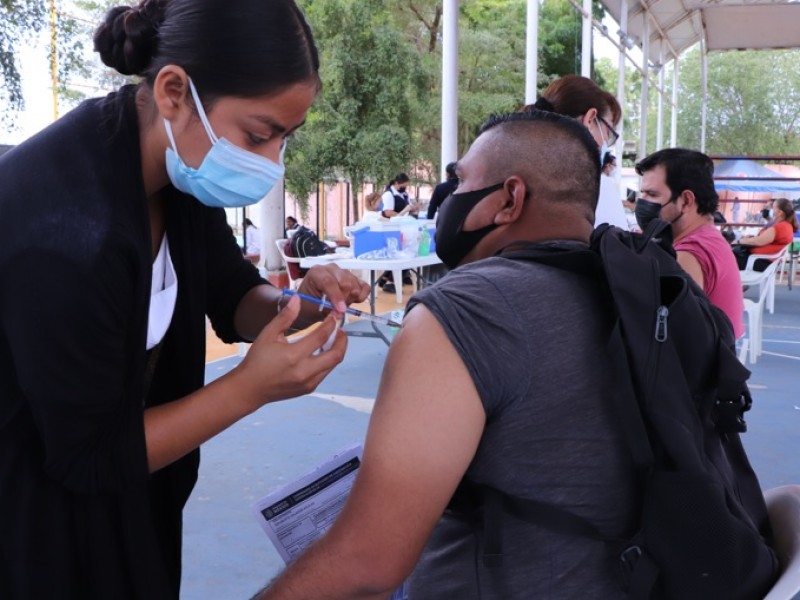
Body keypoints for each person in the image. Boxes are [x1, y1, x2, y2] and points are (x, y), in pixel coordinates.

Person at [0, 1, 370, 598]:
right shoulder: (63, 229)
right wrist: (250, 388)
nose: (271, 162)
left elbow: (232, 295)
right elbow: (88, 456)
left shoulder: (180, 172)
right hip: (42, 528)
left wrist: (298, 303)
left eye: (284, 138)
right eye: (259, 134)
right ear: (174, 90)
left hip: (141, 499)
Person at [255, 110, 636, 599]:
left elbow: (366, 563)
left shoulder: (467, 311)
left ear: (509, 199)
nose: (449, 200)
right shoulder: (646, 291)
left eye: (459, 184)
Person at [634, 148, 744, 339]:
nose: (642, 203)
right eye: (642, 193)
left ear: (686, 201)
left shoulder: (689, 255)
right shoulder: (707, 237)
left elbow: (656, 332)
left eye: (652, 195)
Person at [523, 74, 629, 231]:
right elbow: (618, 253)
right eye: (608, 131)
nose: (606, 141)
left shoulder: (516, 173)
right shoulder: (594, 188)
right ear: (590, 119)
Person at [735, 197, 798, 270]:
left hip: (759, 262)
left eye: (773, 208)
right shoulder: (785, 225)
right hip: (762, 260)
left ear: (780, 212)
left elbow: (758, 241)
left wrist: (738, 241)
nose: (771, 210)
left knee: (726, 256)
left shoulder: (781, 227)